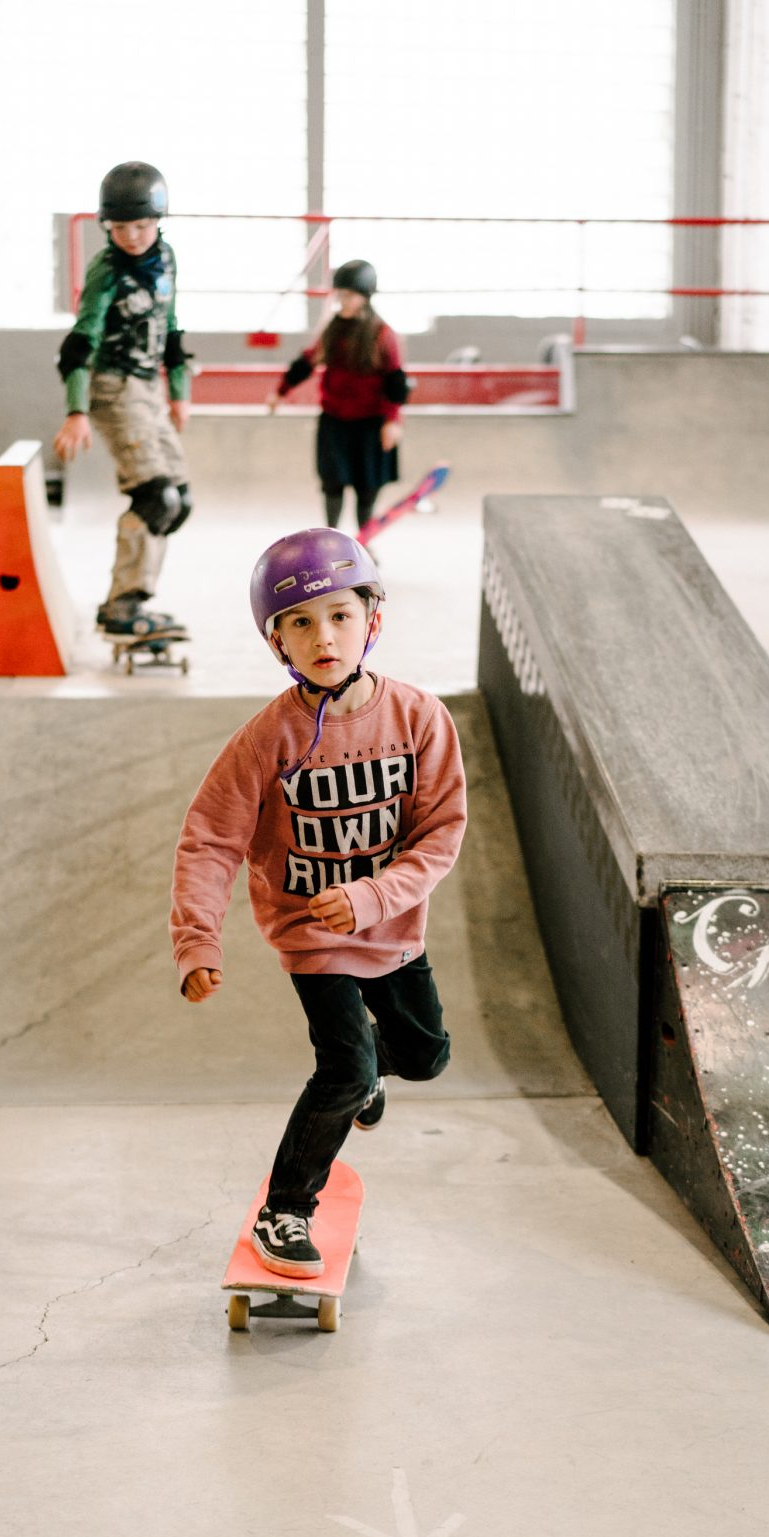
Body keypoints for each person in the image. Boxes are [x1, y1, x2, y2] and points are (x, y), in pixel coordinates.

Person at [170, 527, 466, 1276]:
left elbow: (439, 835)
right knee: (341, 1068)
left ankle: (371, 1080)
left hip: (393, 933)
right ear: (278, 644)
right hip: (311, 939)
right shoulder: (266, 740)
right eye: (298, 623)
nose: (322, 636)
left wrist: (372, 897)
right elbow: (209, 840)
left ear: (373, 620)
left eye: (338, 615)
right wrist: (198, 940)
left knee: (426, 1058)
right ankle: (286, 1210)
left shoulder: (419, 718)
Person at [53, 161, 193, 640]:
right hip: (112, 388)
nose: (132, 237)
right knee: (156, 497)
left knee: (180, 501)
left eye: (142, 225)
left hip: (150, 389)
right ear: (105, 226)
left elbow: (171, 326)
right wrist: (76, 411)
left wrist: (178, 394)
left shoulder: (167, 258)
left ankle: (129, 596)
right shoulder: (106, 271)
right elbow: (79, 343)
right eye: (120, 228)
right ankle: (122, 607)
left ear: (159, 221)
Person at [267, 259, 409, 537]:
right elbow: (307, 362)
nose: (342, 301)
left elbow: (395, 381)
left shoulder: (382, 334)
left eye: (349, 295)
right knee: (332, 483)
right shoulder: (333, 329)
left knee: (366, 488)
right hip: (335, 420)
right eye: (340, 294)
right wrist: (280, 392)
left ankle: (363, 542)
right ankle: (332, 540)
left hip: (371, 422)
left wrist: (393, 421)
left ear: (365, 297)